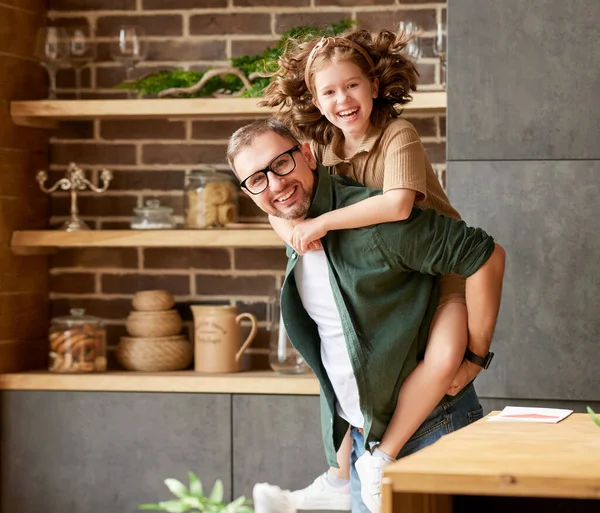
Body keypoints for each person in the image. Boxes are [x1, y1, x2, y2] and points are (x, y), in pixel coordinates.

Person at [254, 28, 491, 511]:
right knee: (343, 358)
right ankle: (338, 477)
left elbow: (398, 205)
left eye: (352, 85)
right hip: (398, 275)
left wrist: (320, 222)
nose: (343, 99)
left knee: (447, 356)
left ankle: (380, 456)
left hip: (441, 268)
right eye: (329, 91)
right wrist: (294, 230)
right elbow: (285, 208)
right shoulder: (319, 148)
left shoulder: (396, 134)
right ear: (315, 102)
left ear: (376, 86)